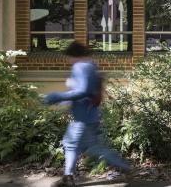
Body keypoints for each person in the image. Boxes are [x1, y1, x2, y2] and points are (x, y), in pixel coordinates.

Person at [44, 41, 132, 187]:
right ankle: (69, 176)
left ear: (73, 55)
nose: (68, 60)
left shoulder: (80, 66)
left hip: (83, 117)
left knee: (76, 145)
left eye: (68, 57)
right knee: (84, 146)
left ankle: (69, 177)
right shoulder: (90, 65)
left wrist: (57, 96)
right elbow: (86, 91)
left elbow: (82, 91)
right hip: (90, 114)